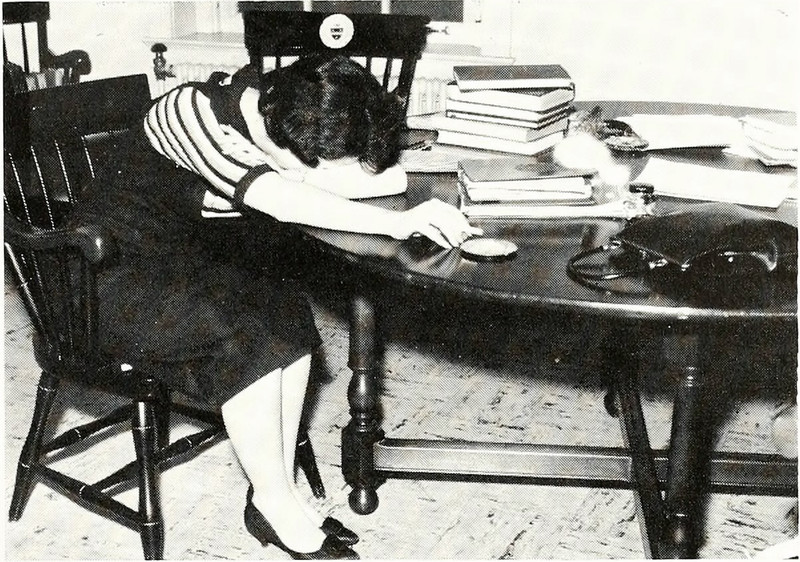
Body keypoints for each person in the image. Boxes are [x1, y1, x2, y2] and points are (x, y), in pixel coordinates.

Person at [69, 54, 481, 559]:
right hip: (105, 283)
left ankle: (275, 492)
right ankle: (274, 501)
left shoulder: (282, 114)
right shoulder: (187, 110)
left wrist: (397, 193)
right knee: (245, 331)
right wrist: (396, 221)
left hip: (177, 266)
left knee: (285, 308)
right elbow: (278, 198)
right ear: (285, 143)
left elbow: (371, 180)